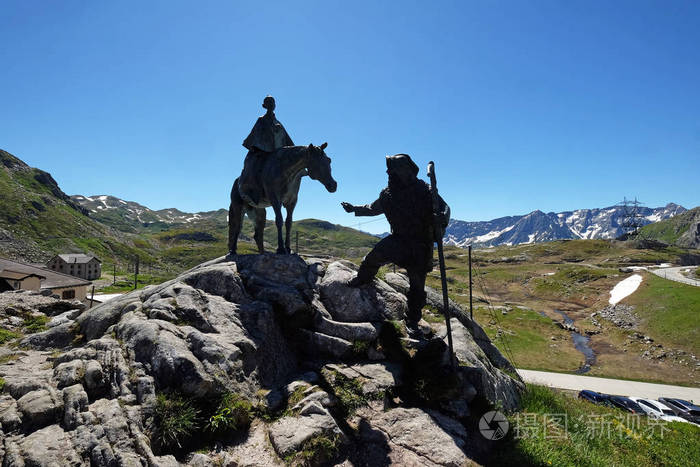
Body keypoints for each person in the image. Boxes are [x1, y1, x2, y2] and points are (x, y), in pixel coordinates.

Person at [341, 154, 450, 335]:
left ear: (409, 169)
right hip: (398, 240)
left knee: (417, 285)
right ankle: (363, 278)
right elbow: (373, 208)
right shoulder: (388, 193)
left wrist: (441, 217)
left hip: (420, 244)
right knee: (373, 257)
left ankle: (413, 319)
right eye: (393, 170)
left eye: (400, 169)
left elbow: (445, 208)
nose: (396, 173)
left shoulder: (424, 189)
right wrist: (355, 209)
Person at [239, 96, 294, 204]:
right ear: (265, 106)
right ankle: (254, 191)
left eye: (273, 102)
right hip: (261, 152)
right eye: (269, 102)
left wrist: (292, 150)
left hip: (276, 153)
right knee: (253, 166)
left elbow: (287, 139)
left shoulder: (278, 123)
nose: (271, 104)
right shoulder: (261, 120)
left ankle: (288, 194)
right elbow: (254, 135)